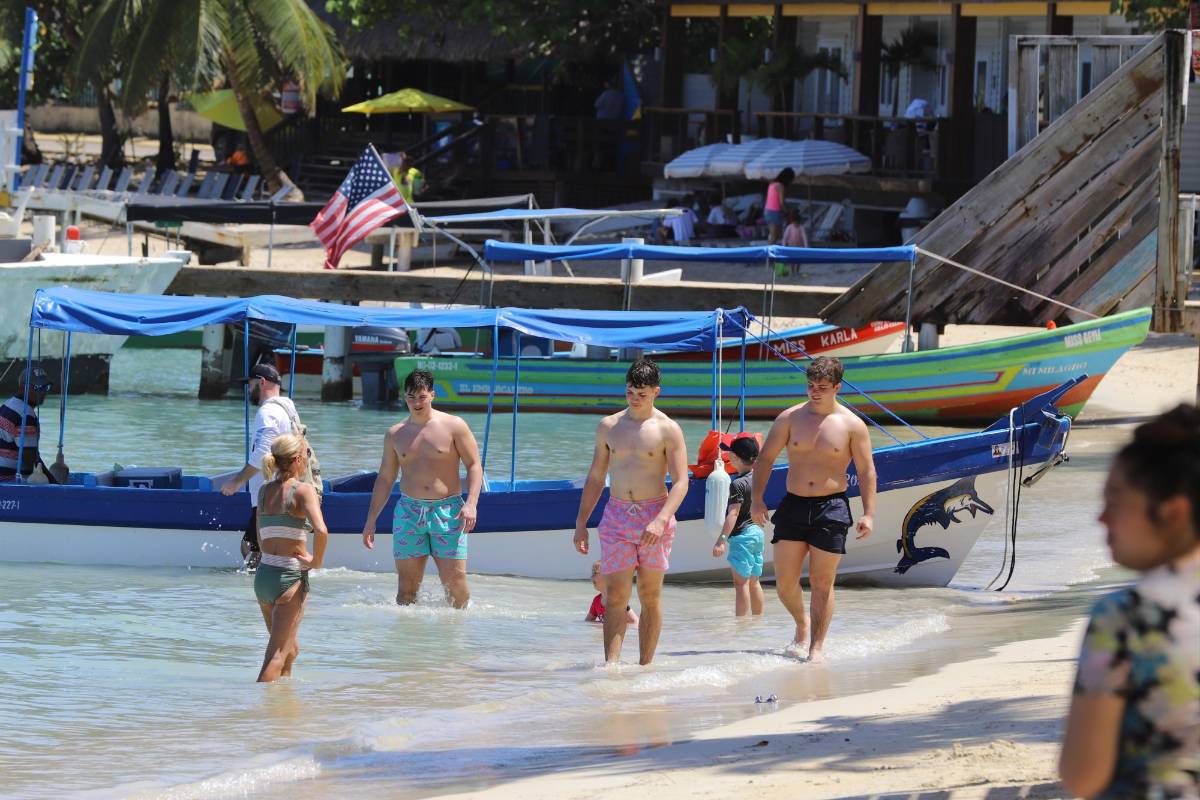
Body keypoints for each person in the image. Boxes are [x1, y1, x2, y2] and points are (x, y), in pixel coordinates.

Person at [1059, 406, 1200, 799]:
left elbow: (1082, 774)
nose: (1101, 518)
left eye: (1115, 501)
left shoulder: (1124, 617)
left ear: (1173, 512)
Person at [750, 356, 876, 662]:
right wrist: (757, 499)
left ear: (836, 387)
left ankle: (816, 647)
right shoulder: (789, 419)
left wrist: (869, 513)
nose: (814, 392)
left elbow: (866, 471)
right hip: (793, 504)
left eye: (821, 387)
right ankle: (801, 621)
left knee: (822, 582)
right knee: (784, 584)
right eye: (810, 386)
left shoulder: (852, 425)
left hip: (831, 507)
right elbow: (765, 460)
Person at [574, 359, 689, 666]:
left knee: (650, 596)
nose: (635, 398)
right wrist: (581, 522)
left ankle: (645, 667)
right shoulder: (609, 426)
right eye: (630, 392)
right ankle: (611, 668)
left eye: (642, 393)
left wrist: (661, 519)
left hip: (655, 514)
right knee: (615, 597)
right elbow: (596, 478)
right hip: (617, 515)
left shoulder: (668, 429)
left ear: (656, 392)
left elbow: (681, 482)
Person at [361, 369, 483, 608]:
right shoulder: (395, 434)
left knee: (456, 585)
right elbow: (385, 478)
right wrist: (371, 519)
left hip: (449, 512)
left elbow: (474, 465)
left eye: (422, 397)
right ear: (404, 396)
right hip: (409, 512)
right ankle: (408, 642)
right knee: (406, 590)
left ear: (432, 395)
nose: (416, 403)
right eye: (411, 397)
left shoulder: (454, 425)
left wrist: (471, 504)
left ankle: (455, 639)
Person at [252, 433, 327, 682]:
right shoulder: (303, 490)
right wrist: (316, 562)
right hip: (288, 579)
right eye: (306, 455)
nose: (307, 461)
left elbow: (261, 537)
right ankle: (257, 713)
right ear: (296, 459)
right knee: (276, 654)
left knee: (290, 650)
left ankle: (281, 709)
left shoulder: (263, 491)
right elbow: (322, 529)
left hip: (263, 577)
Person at [221, 364, 306, 570]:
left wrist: (236, 482)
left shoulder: (267, 412)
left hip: (267, 495)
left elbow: (261, 453)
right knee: (262, 548)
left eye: (250, 384)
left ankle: (257, 591)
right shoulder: (288, 409)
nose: (248, 389)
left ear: (261, 382)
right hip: (285, 490)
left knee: (250, 548)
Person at [712, 437, 765, 617]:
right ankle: (758, 620)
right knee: (754, 582)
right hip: (757, 533)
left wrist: (721, 540)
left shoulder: (737, 484)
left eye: (728, 453)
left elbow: (733, 514)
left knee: (741, 584)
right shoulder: (757, 478)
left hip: (743, 536)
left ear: (734, 457)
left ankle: (741, 626)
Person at [0, 366, 58, 483]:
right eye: (37, 387)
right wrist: (55, 484)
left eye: (46, 387)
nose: (42, 392)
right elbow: (30, 459)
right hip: (9, 479)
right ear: (22, 388)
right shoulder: (26, 415)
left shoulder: (8, 405)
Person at [585, 561, 639, 625]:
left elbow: (635, 622)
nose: (591, 577)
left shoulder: (617, 599)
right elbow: (588, 621)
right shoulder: (596, 601)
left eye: (594, 573)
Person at [764, 168, 794, 244]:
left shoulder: (772, 184)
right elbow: (782, 202)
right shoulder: (780, 186)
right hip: (775, 212)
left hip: (767, 211)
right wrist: (787, 212)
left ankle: (770, 251)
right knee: (775, 236)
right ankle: (770, 253)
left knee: (772, 235)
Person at [782, 210, 809, 276]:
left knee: (799, 260)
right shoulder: (789, 227)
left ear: (799, 222)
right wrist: (783, 246)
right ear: (792, 221)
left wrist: (806, 247)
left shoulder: (801, 228)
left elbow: (804, 238)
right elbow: (785, 238)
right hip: (791, 247)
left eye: (797, 223)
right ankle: (793, 271)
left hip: (799, 247)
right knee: (792, 260)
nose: (796, 224)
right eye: (795, 223)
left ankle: (797, 271)